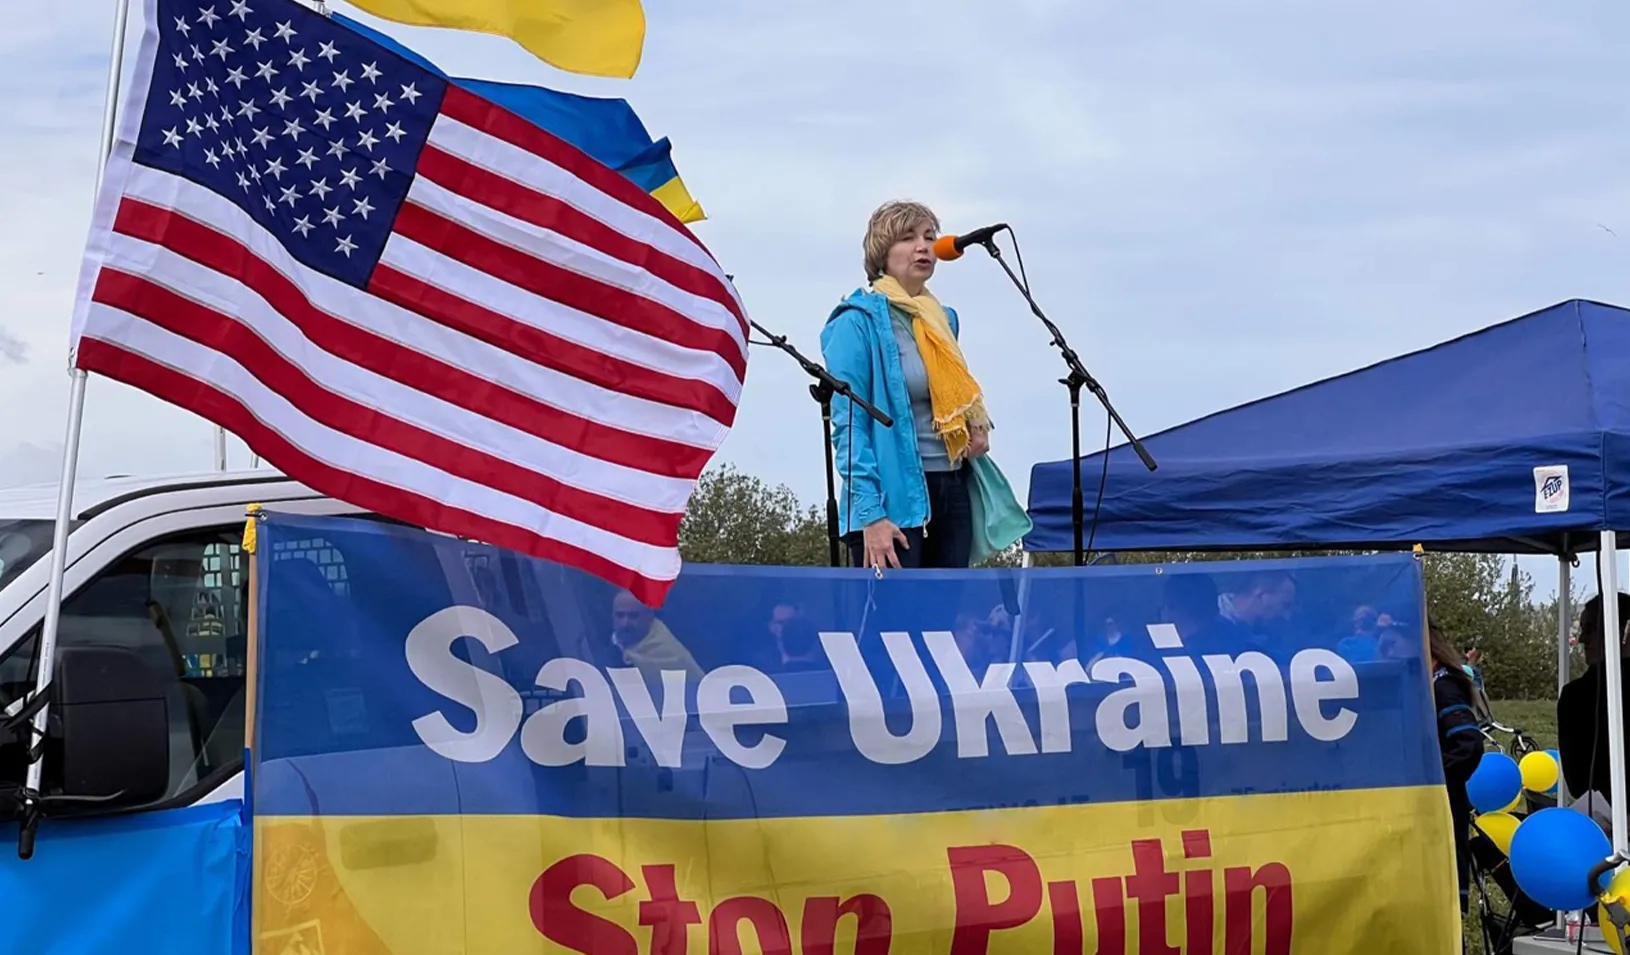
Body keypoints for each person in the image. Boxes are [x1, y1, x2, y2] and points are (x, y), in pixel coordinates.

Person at [820, 200, 1022, 571]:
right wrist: (871, 515)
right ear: (882, 251)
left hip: (952, 486)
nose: (923, 246)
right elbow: (849, 427)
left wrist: (972, 425)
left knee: (942, 624)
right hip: (891, 500)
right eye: (908, 238)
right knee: (893, 624)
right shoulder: (855, 322)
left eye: (930, 237)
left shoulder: (943, 320)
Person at [1429, 621, 1487, 916]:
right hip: (1438, 812)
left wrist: (1432, 780)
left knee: (1443, 912)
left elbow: (1468, 743)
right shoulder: (1432, 684)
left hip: (1444, 808)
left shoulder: (1443, 686)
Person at [1557, 591, 1630, 802]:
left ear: (1622, 631)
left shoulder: (1575, 695)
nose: (1581, 639)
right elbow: (1577, 780)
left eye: (1590, 629)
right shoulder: (1576, 696)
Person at [608, 591, 704, 681]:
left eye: (633, 616)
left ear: (649, 616)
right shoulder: (602, 645)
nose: (625, 623)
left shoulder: (668, 652)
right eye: (620, 615)